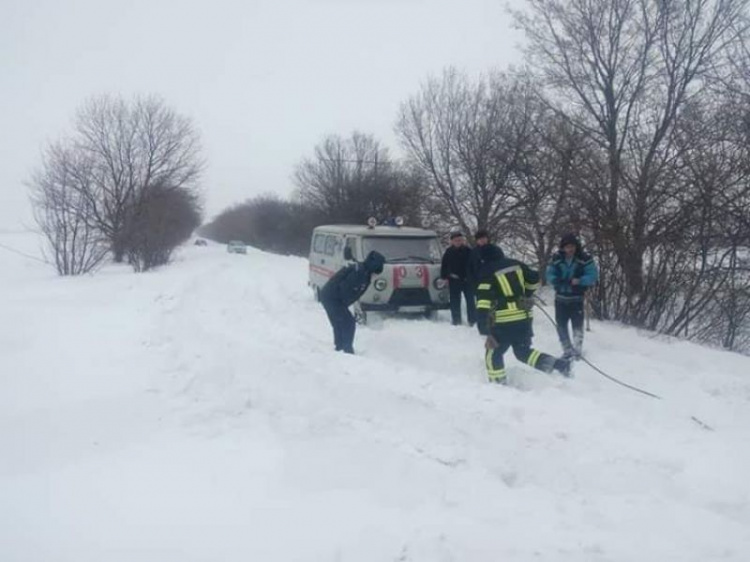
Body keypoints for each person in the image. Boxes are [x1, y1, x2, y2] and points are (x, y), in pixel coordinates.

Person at [476, 244, 571, 384]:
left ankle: (497, 385)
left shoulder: (486, 271)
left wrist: (484, 328)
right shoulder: (516, 264)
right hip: (523, 318)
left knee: (493, 353)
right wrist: (525, 294)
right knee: (523, 352)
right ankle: (558, 365)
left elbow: (483, 302)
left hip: (504, 321)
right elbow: (534, 279)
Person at [319, 250, 385, 354]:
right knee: (348, 322)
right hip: (331, 297)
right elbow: (345, 288)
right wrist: (343, 305)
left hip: (331, 297)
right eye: (378, 268)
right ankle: (346, 349)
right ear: (374, 265)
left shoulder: (365, 272)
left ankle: (340, 348)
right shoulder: (359, 272)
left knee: (340, 323)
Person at [546, 233, 598, 359]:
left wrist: (580, 281)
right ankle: (567, 349)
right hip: (560, 298)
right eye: (567, 247)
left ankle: (577, 349)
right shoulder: (556, 258)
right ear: (562, 248)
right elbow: (549, 274)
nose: (570, 249)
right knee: (561, 325)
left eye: (572, 246)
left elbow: (593, 276)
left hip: (577, 298)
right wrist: (556, 280)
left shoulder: (584, 259)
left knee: (577, 325)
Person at [440, 231, 476, 326]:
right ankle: (456, 320)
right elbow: (444, 265)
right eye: (456, 240)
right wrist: (445, 277)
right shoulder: (448, 252)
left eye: (460, 240)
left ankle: (472, 320)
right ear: (452, 241)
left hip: (467, 280)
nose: (458, 242)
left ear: (463, 240)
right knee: (455, 301)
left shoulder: (469, 251)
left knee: (470, 301)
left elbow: (474, 265)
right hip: (454, 279)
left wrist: (472, 277)